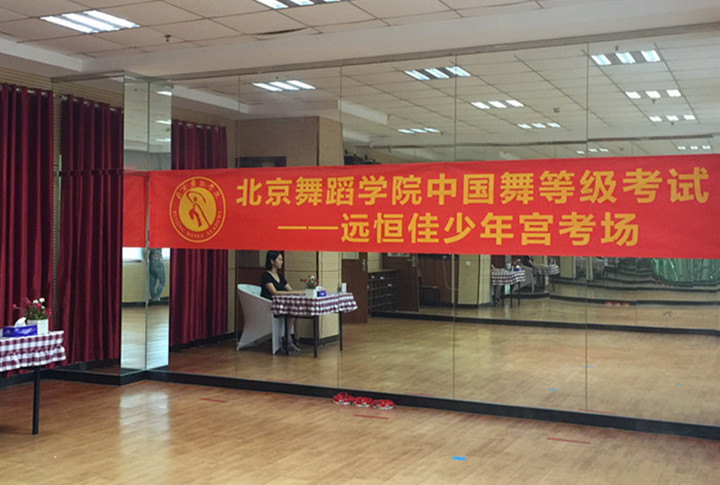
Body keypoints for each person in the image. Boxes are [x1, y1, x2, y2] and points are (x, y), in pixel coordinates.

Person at [261, 251, 303, 353]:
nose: (282, 262)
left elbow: (290, 290)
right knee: (293, 311)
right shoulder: (266, 276)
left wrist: (298, 292)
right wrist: (296, 292)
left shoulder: (280, 276)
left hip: (281, 304)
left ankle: (296, 339)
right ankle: (286, 337)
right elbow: (274, 292)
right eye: (279, 260)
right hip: (269, 306)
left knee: (298, 311)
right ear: (272, 261)